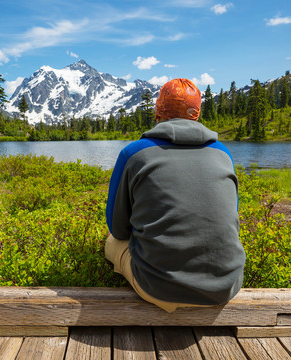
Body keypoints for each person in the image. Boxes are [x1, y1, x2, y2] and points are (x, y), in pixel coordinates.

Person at [105, 78, 245, 312]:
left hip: (158, 288)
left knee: (111, 242)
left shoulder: (134, 153)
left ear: (158, 112)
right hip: (226, 287)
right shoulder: (224, 154)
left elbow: (118, 229)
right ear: (196, 114)